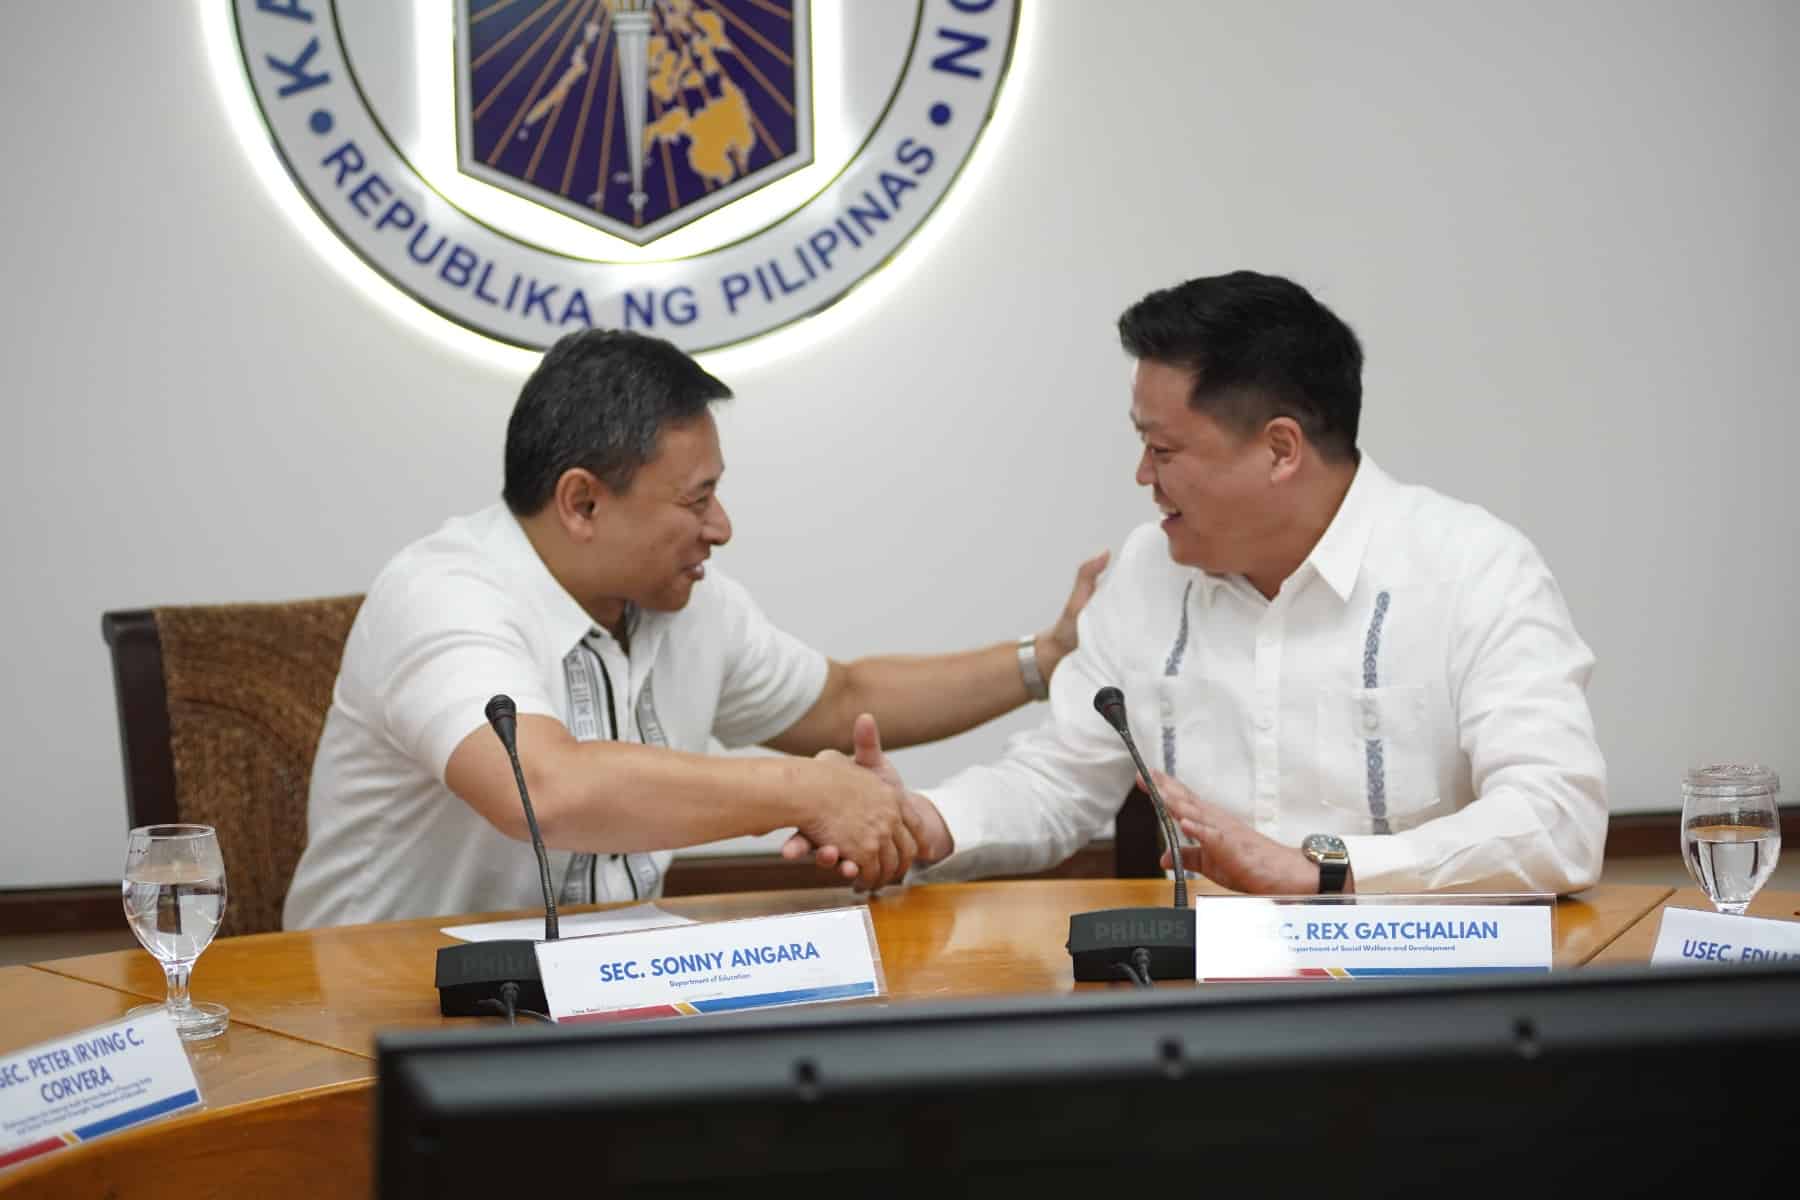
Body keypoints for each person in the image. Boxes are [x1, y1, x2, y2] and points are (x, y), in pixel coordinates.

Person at [800, 271, 1607, 896]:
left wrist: (1328, 872)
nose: (1143, 475)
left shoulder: (1473, 568)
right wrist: (921, 822)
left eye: (1166, 449)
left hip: (1423, 1008)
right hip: (1200, 1018)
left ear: (1281, 449)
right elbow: (1057, 779)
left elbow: (1556, 821)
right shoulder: (1148, 573)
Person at [282, 329, 1107, 929]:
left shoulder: (685, 605)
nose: (721, 527)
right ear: (583, 502)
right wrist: (802, 792)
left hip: (598, 1007)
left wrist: (1047, 657)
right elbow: (547, 790)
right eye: (694, 500)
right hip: (379, 1019)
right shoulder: (442, 594)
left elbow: (843, 698)